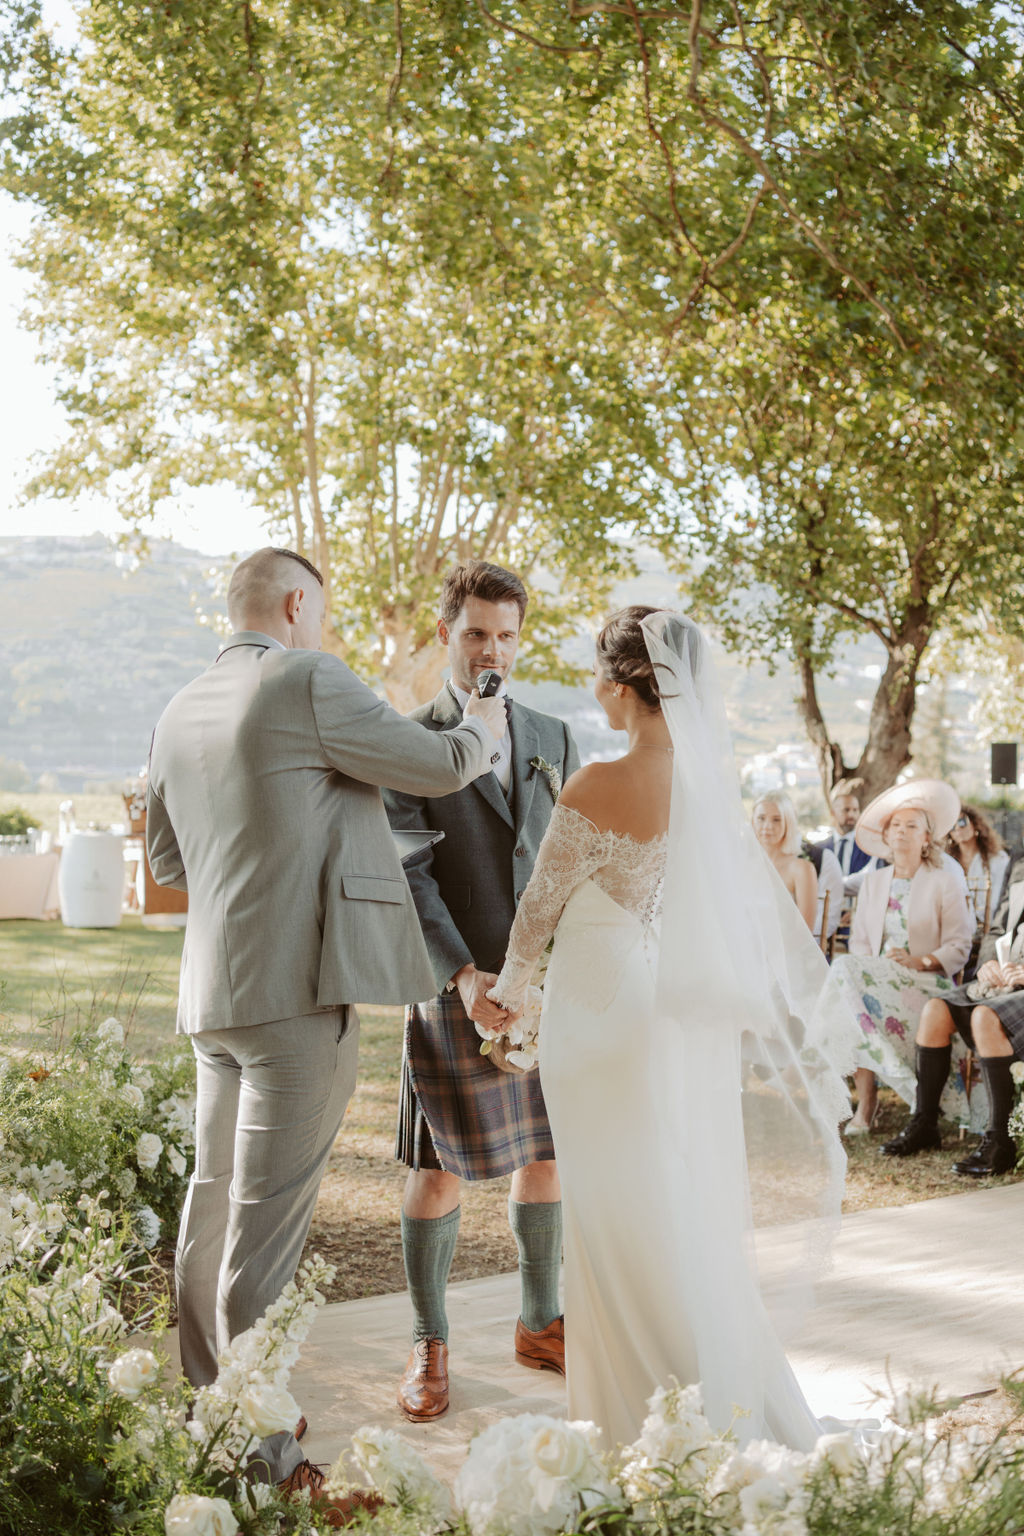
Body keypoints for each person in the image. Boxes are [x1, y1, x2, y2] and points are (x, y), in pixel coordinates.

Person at [146, 548, 505, 1512]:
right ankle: (267, 1470)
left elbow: (170, 862)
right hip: (298, 997)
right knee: (263, 1243)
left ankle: (214, 1413)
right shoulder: (305, 676)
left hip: (213, 997)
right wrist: (483, 720)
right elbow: (441, 765)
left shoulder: (178, 708)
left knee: (211, 1208)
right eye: (326, 609)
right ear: (298, 603)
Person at [487, 607, 850, 1451]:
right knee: (655, 1194)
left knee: (608, 1210)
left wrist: (507, 1000)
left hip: (591, 1018)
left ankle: (636, 1417)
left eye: (599, 676)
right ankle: (685, 1396)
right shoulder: (702, 788)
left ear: (625, 687)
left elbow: (537, 912)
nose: (594, 692)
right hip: (650, 1011)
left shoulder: (597, 783)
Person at [381, 561, 579, 1423]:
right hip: (450, 983)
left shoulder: (552, 735)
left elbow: (567, 856)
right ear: (445, 634)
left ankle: (540, 1322)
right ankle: (428, 1343)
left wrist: (548, 971)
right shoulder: (406, 739)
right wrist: (463, 976)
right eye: (475, 634)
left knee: (548, 1158)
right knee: (438, 1173)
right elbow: (408, 871)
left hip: (542, 987)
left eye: (505, 635)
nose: (491, 650)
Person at [823, 781, 975, 1135]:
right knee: (850, 984)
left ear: (927, 838)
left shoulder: (944, 881)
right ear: (886, 836)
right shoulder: (874, 882)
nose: (902, 832)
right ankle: (866, 1101)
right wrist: (875, 969)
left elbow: (960, 945)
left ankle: (820, 1068)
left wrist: (921, 961)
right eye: (895, 825)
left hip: (926, 981)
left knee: (845, 980)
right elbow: (860, 942)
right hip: (874, 979)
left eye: (911, 826)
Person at [881, 845, 1024, 1176]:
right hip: (1005, 979)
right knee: (936, 1010)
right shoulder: (1020, 859)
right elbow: (998, 928)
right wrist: (988, 963)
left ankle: (1000, 1142)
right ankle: (925, 1124)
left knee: (985, 1016)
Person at [752, 792, 817, 930]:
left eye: (776, 820)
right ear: (752, 822)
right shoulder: (744, 866)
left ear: (788, 823)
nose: (767, 826)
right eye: (761, 818)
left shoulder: (801, 869)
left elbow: (805, 932)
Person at [948, 803, 1009, 934]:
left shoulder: (997, 859)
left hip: (990, 929)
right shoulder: (947, 863)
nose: (957, 828)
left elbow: (1000, 901)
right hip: (955, 930)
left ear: (975, 824)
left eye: (962, 822)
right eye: (951, 826)